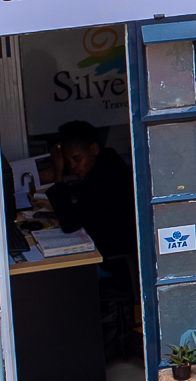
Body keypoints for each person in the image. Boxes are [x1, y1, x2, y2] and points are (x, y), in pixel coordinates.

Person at [46, 119, 138, 279]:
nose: (73, 166)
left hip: (113, 260)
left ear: (94, 149)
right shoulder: (108, 160)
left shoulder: (103, 177)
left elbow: (69, 224)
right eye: (68, 162)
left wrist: (58, 175)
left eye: (77, 158)